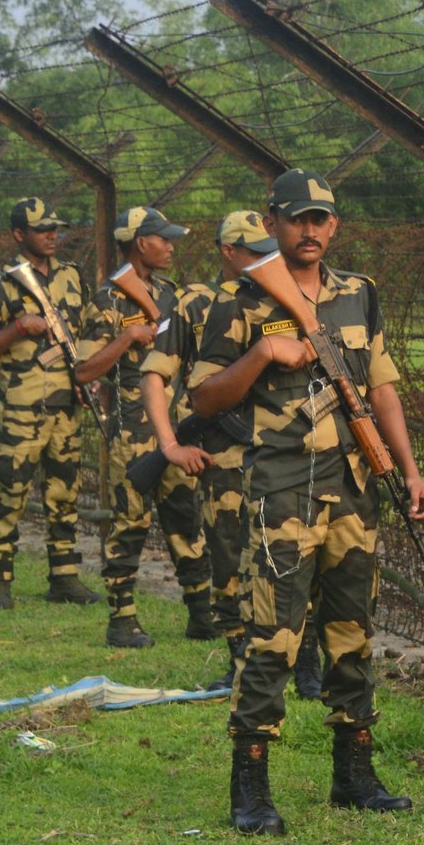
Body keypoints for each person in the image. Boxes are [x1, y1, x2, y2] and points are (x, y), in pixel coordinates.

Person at [189, 169, 424, 836]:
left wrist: (409, 470)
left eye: (322, 218)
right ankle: (251, 782)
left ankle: (354, 772)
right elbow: (204, 399)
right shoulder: (239, 303)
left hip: (353, 490)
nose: (311, 230)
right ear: (271, 222)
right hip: (281, 491)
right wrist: (265, 351)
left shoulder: (359, 295)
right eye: (298, 218)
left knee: (352, 634)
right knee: (272, 637)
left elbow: (381, 388)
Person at [139, 210, 277, 689]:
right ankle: (239, 659)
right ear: (228, 251)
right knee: (228, 559)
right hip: (223, 455)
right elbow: (155, 373)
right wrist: (170, 444)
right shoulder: (194, 303)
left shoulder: (288, 298)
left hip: (285, 454)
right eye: (255, 251)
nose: (265, 259)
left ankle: (302, 664)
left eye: (269, 249)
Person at [79, 206, 210, 649]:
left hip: (176, 425)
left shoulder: (170, 294)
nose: (171, 246)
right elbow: (83, 371)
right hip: (132, 428)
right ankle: (122, 620)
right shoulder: (107, 301)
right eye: (163, 239)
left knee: (186, 519)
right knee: (130, 522)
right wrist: (126, 338)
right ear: (140, 243)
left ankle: (201, 613)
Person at [0, 197, 101, 610]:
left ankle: (64, 578)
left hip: (65, 406)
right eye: (42, 229)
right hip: (21, 410)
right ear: (18, 235)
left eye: (54, 228)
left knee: (64, 494)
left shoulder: (73, 278)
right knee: (9, 492)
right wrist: (18, 329)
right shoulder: (0, 285)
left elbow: (82, 336)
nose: (51, 235)